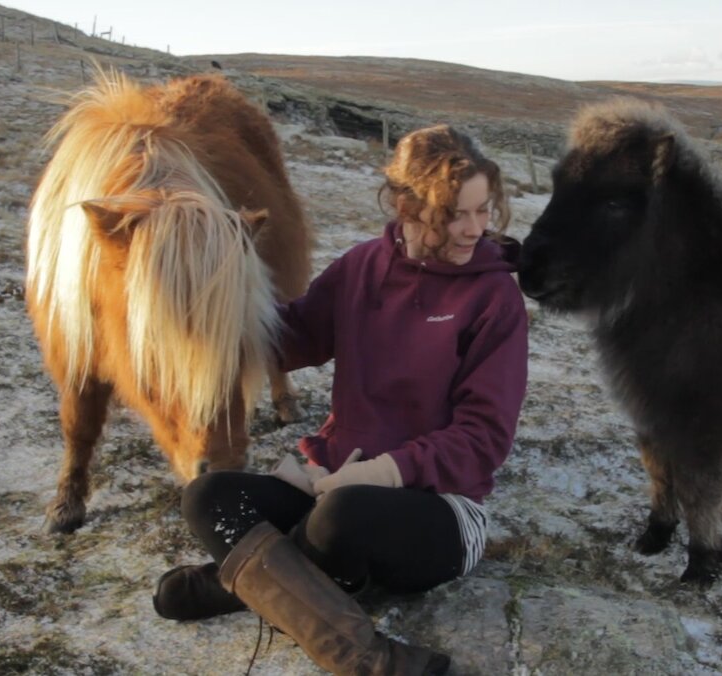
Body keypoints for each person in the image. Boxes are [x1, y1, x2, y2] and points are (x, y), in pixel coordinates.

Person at [153, 125, 529, 675]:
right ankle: (365, 653)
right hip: (328, 483)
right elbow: (290, 337)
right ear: (407, 205)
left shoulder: (494, 298)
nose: (476, 229)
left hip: (441, 509)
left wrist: (381, 473)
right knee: (208, 496)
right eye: (456, 214)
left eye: (482, 211)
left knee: (340, 519)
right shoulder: (362, 267)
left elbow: (484, 440)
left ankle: (241, 586)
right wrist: (208, 303)